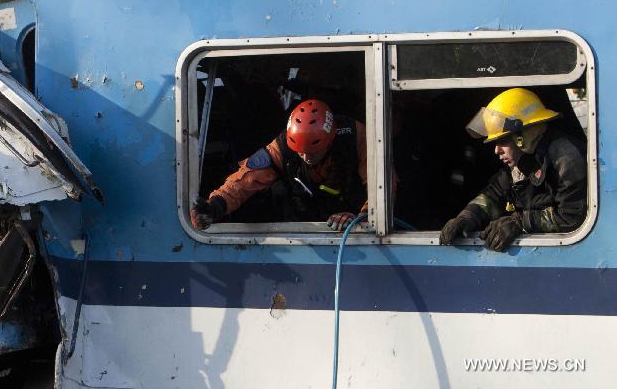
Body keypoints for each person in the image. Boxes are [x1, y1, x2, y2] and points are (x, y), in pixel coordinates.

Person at [191, 99, 394, 231]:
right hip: (309, 220)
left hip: (353, 221)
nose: (306, 157)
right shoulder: (283, 147)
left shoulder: (356, 138)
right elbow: (246, 179)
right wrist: (215, 206)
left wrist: (364, 218)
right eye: (300, 151)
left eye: (314, 152)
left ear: (330, 140)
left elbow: (384, 185)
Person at [439, 88, 587, 251]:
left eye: (502, 141)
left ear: (522, 136)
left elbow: (572, 217)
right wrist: (467, 217)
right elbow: (492, 196)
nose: (496, 150)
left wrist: (520, 221)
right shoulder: (520, 163)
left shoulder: (566, 158)